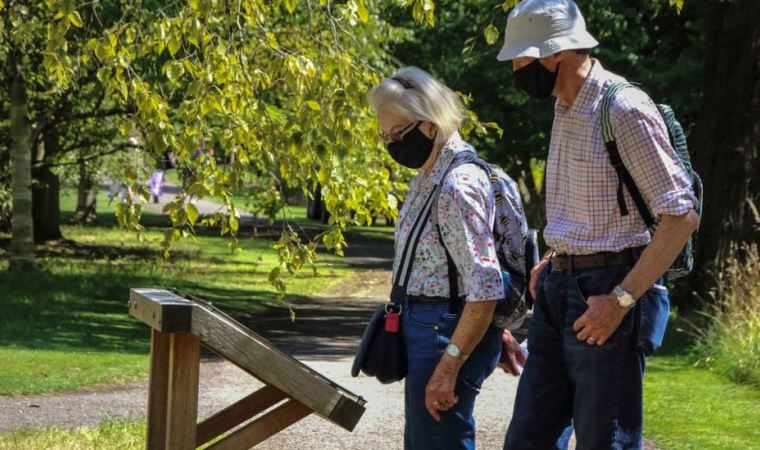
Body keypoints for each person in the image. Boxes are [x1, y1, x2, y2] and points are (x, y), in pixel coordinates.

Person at [494, 1, 700, 449]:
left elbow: (681, 214)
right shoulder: (564, 106)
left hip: (610, 288)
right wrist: (554, 255)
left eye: (521, 58)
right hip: (559, 286)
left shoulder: (623, 107)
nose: (514, 68)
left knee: (603, 440)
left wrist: (622, 300)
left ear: (555, 55)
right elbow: (596, 208)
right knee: (528, 437)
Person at [369, 67, 523, 450]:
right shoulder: (430, 175)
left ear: (430, 126)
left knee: (438, 442)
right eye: (384, 136)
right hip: (438, 326)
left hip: (442, 333)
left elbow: (485, 284)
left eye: (397, 134)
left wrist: (452, 362)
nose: (391, 144)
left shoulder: (457, 184)